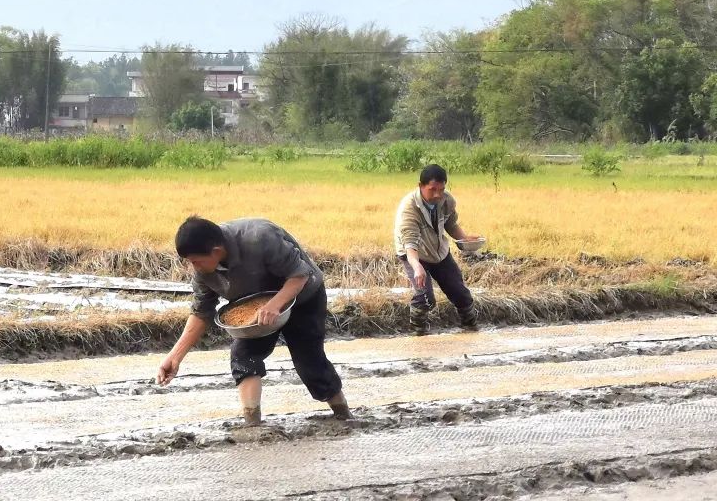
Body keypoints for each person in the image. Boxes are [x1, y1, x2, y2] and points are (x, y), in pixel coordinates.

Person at [155, 216, 350, 426]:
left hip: (303, 296)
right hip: (256, 308)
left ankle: (343, 414)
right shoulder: (203, 274)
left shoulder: (260, 237)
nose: (193, 267)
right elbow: (201, 313)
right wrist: (175, 357)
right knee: (243, 356)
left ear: (216, 251)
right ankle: (252, 423)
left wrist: (275, 305)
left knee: (309, 361)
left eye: (195, 261)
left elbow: (300, 274)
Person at [394, 164, 482, 335]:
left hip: (439, 252)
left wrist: (464, 238)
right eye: (432, 189)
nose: (437, 195)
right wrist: (417, 267)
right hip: (414, 254)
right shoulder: (409, 209)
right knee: (425, 298)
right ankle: (418, 334)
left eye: (441, 190)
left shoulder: (447, 201)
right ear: (420, 186)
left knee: (461, 294)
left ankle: (471, 329)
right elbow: (410, 243)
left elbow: (450, 224)